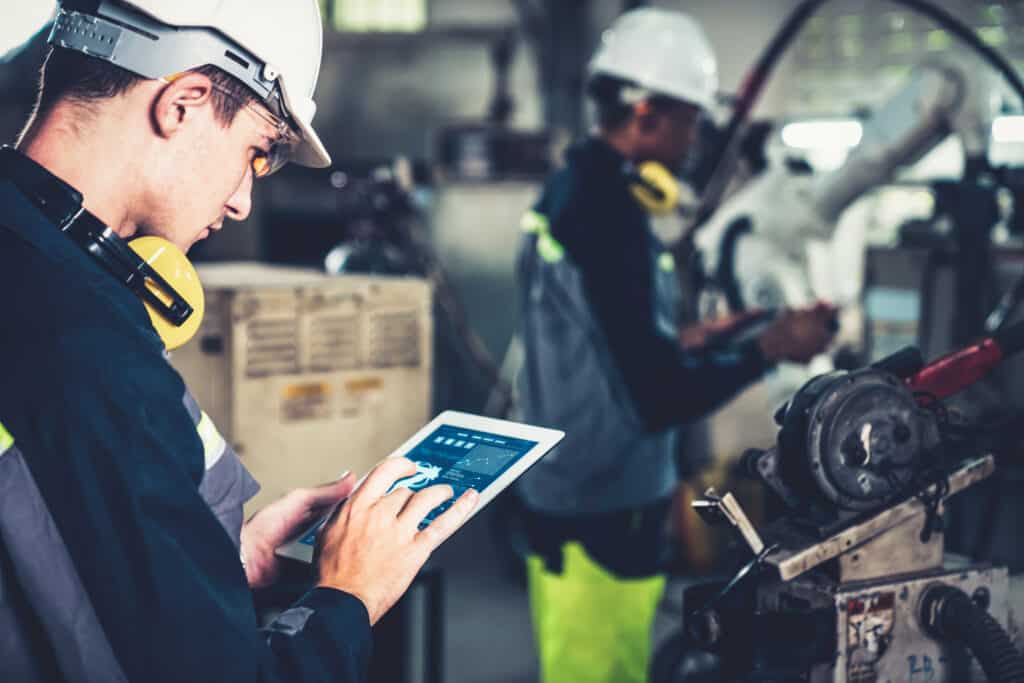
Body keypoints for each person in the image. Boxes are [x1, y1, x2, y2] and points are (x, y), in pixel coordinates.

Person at [0, 1, 477, 681]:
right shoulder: (90, 344)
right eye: (256, 151)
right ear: (185, 102)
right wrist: (347, 598)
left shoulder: (34, 271)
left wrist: (212, 560)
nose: (241, 202)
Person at [514, 8, 837, 683]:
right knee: (597, 670)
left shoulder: (575, 188)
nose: (694, 140)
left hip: (569, 494)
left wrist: (699, 335)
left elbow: (603, 336)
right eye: (690, 119)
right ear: (645, 113)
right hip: (601, 509)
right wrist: (771, 347)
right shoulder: (611, 217)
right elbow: (659, 396)